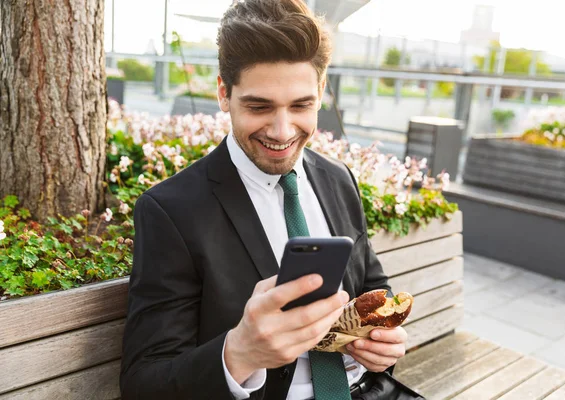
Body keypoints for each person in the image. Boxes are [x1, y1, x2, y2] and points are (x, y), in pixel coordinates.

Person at [120, 0, 423, 398]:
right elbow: (144, 382)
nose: (282, 132)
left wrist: (386, 342)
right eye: (259, 106)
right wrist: (238, 354)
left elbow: (374, 286)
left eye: (301, 105)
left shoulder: (338, 179)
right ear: (224, 94)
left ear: (320, 91)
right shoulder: (171, 210)